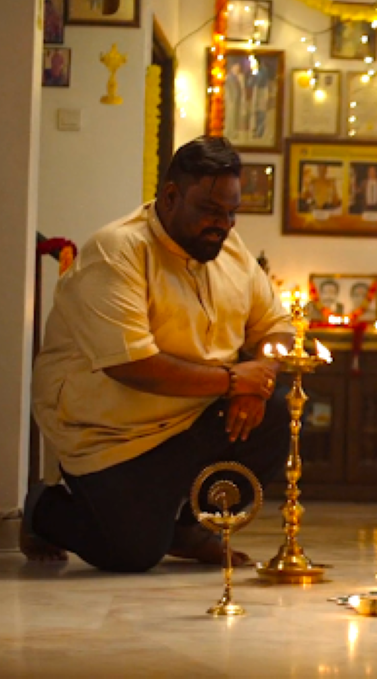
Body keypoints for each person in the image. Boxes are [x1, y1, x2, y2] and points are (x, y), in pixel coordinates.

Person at [23, 136, 294, 573]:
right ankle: (43, 508)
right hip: (111, 435)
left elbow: (276, 327)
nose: (223, 225)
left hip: (192, 416)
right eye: (210, 210)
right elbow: (131, 363)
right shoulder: (117, 251)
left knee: (279, 409)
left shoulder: (230, 248)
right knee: (132, 554)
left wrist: (258, 381)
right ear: (170, 196)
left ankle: (190, 529)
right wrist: (233, 381)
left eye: (231, 213)